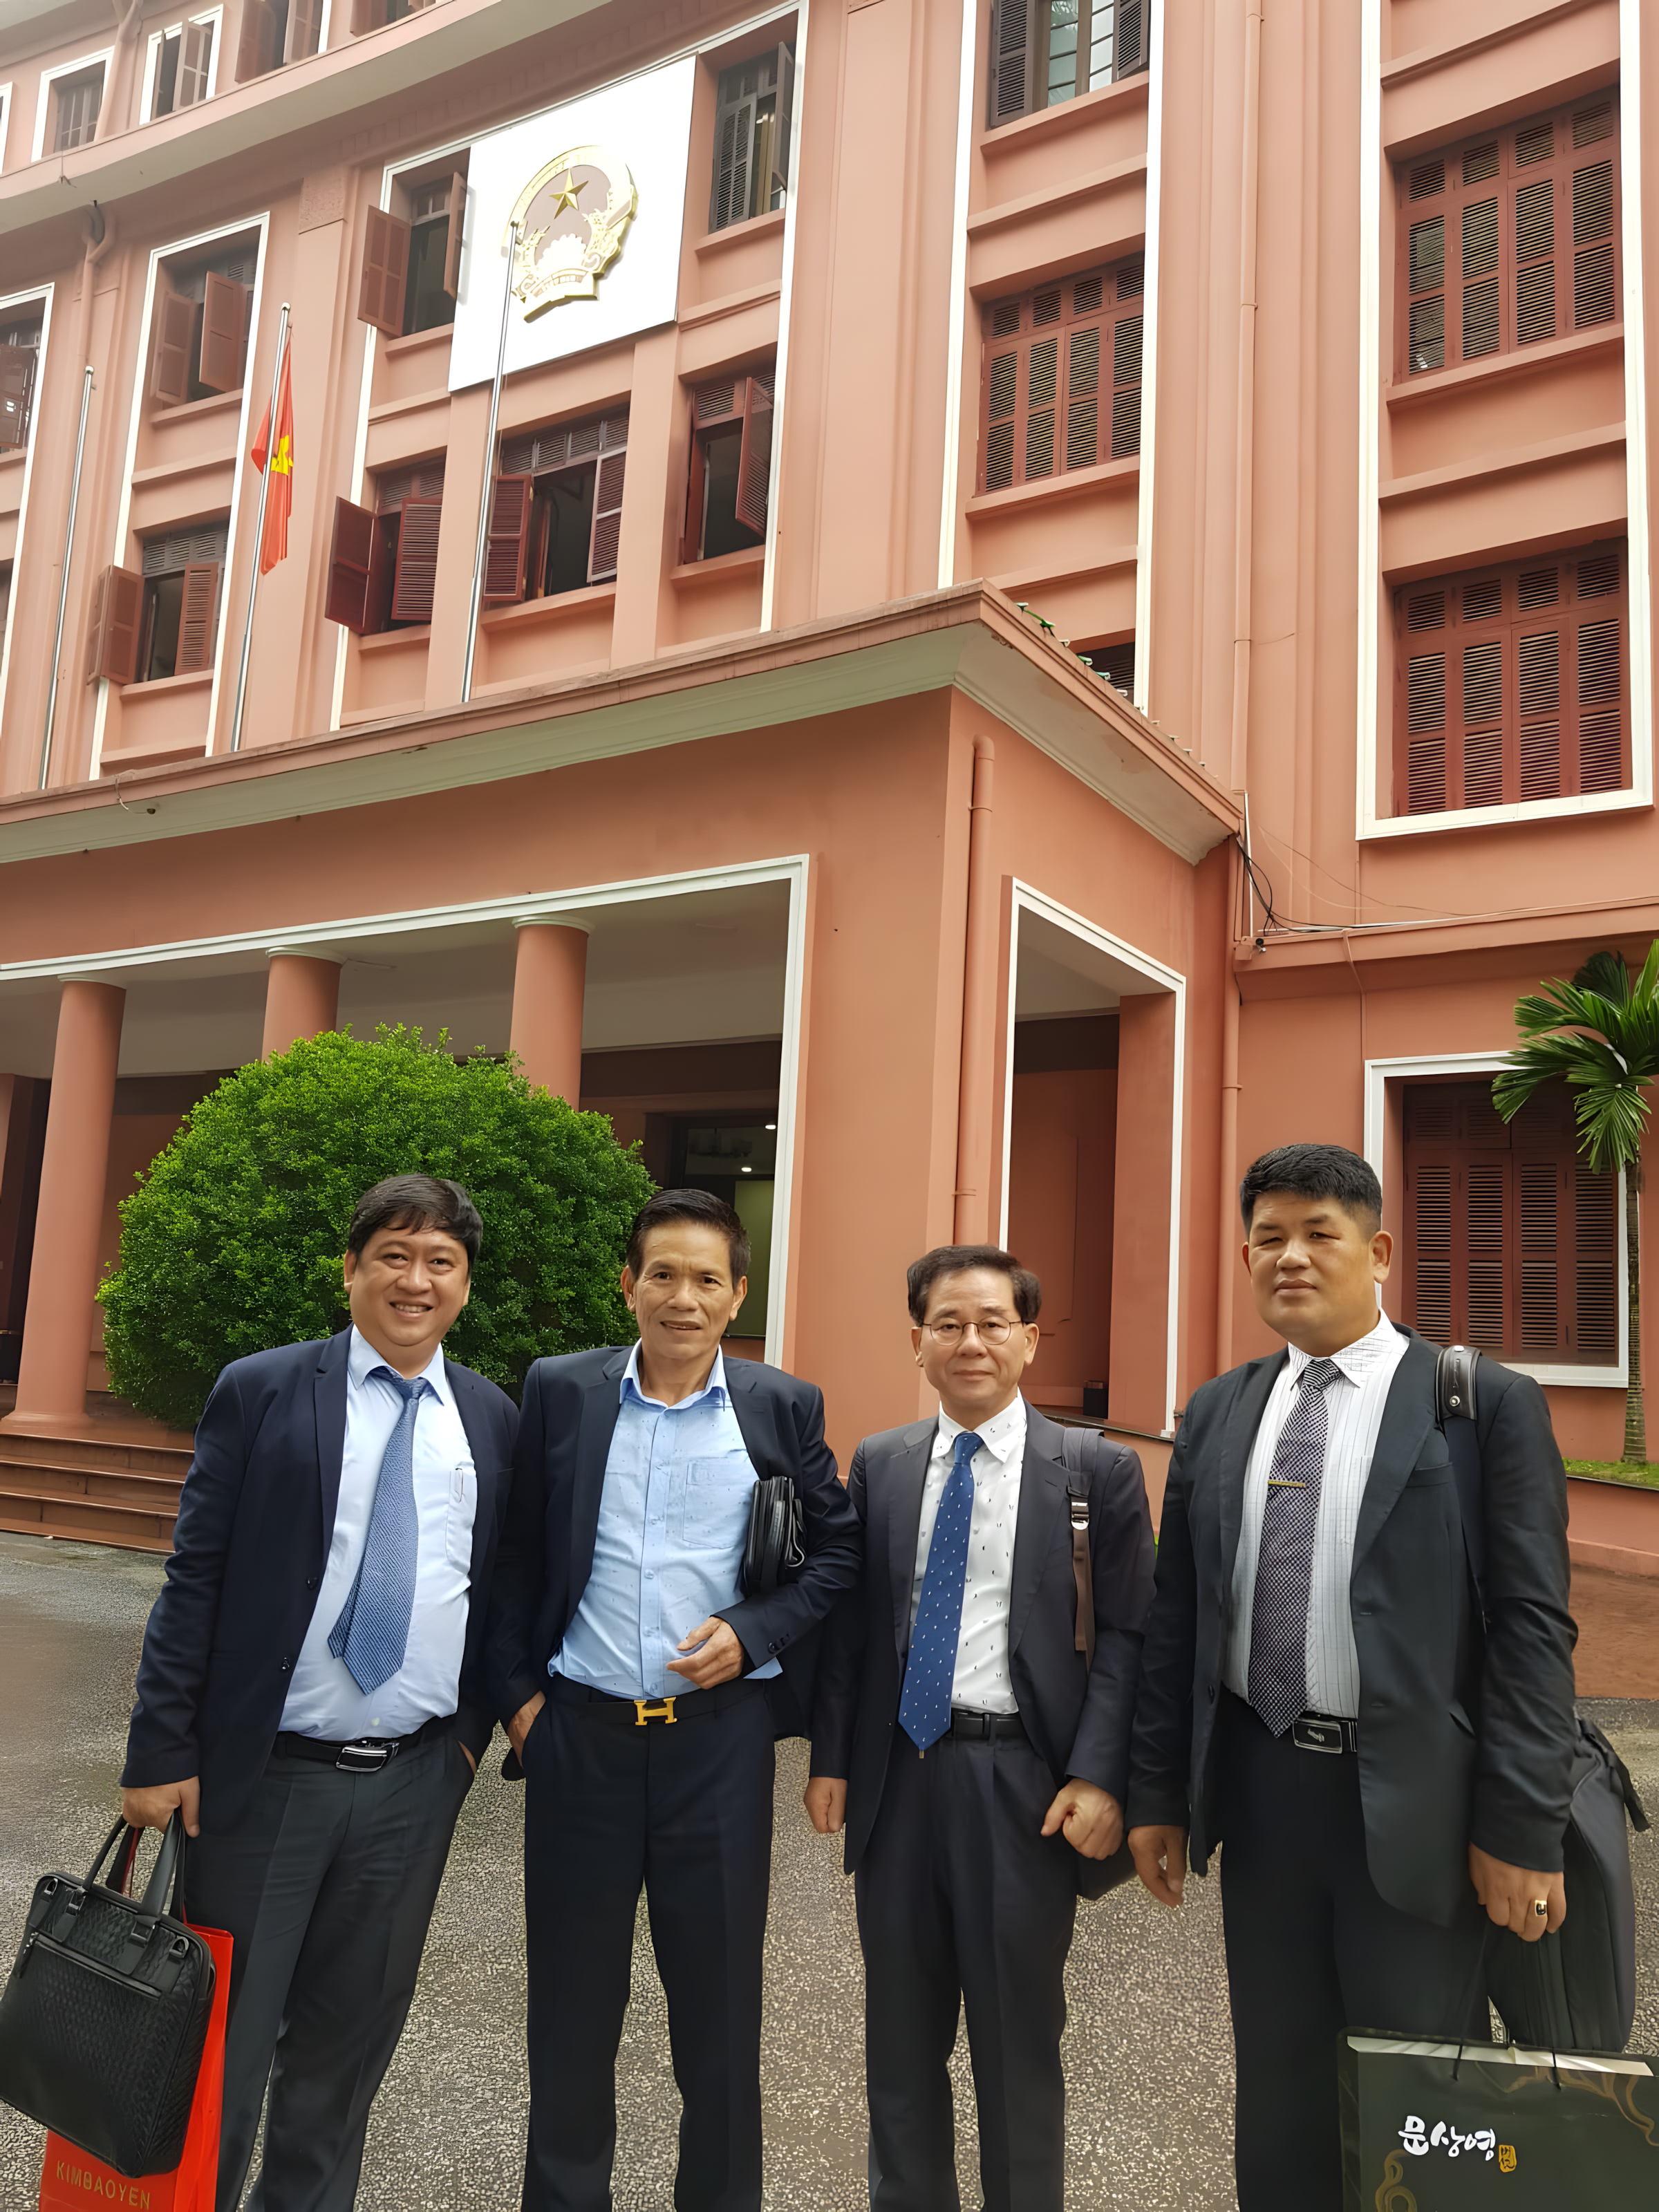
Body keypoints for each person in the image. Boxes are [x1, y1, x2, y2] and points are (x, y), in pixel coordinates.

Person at [1127, 1143, 1577, 2211]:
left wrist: (1523, 1828)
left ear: (1377, 1253)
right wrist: (1157, 1793)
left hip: (1418, 1804)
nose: (1290, 1256)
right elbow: (1177, 1616)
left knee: (1420, 2094)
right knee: (1280, 2086)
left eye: (1318, 1234)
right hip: (1263, 1789)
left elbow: (1531, 1629)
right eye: (1268, 1238)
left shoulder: (1480, 1405)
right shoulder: (1220, 1409)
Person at [119, 1174, 519, 2212]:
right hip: (267, 1781)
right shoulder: (263, 1389)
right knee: (221, 2053)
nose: (416, 1279)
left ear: (465, 1285)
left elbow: (495, 1591)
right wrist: (161, 1748)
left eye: (441, 1262)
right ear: (351, 1270)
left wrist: (465, 1744)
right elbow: (196, 1574)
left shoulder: (490, 1417)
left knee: (343, 2060)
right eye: (394, 1255)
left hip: (413, 1786)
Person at [489, 1186, 861, 2212]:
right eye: (663, 1274)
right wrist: (519, 1702)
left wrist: (755, 1634)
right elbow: (514, 1552)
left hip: (716, 1748)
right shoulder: (562, 1390)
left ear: (737, 1295)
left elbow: (837, 1555)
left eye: (706, 1279)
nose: (682, 1298)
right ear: (629, 1285)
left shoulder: (780, 1405)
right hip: (579, 1740)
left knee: (719, 2015)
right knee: (570, 2014)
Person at [806, 1244, 1156, 2212]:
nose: (971, 1342)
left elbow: (1131, 1634)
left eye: (993, 1323)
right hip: (899, 1778)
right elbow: (853, 1629)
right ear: (916, 1341)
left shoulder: (1096, 1468)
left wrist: (1100, 1774)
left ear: (1029, 1339)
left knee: (1016, 2043)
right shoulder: (881, 1464)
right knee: (899, 2041)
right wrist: (832, 1760)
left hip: (1023, 1785)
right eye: (948, 1325)